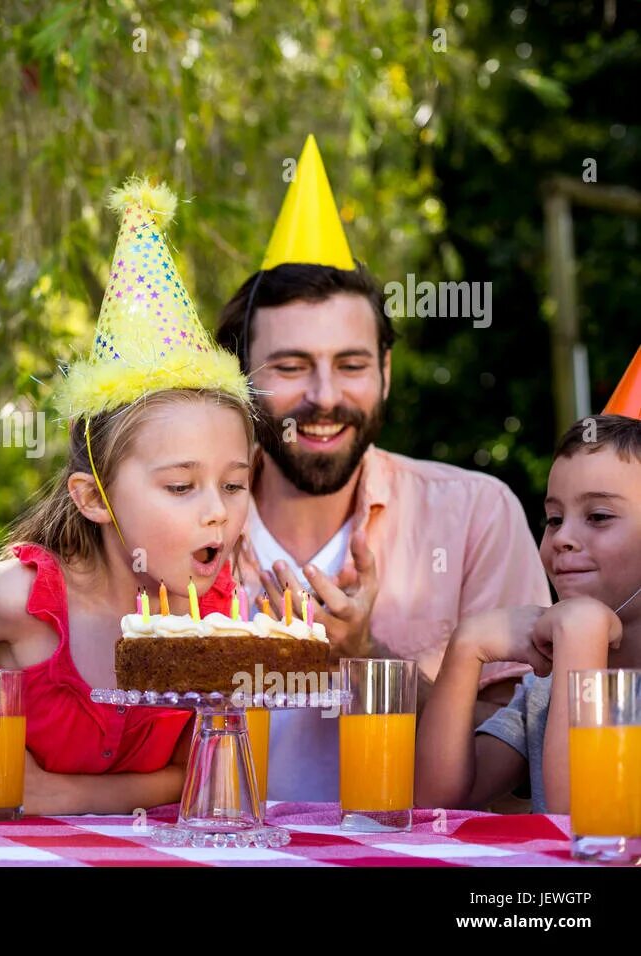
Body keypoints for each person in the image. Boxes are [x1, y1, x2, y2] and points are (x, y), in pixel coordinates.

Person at [0, 180, 248, 815]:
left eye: (233, 484)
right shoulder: (18, 599)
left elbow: (196, 774)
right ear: (92, 498)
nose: (217, 510)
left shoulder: (216, 618)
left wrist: (61, 795)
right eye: (179, 486)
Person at [215, 136, 550, 802]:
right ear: (238, 378)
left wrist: (366, 655)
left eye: (352, 364)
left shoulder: (475, 515)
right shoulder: (180, 523)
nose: (325, 396)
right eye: (288, 367)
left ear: (386, 373)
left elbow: (509, 756)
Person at [416, 413, 641, 812]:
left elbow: (585, 833)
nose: (563, 539)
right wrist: (466, 648)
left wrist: (580, 636)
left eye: (599, 517)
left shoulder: (572, 657)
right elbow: (436, 805)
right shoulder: (544, 692)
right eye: (554, 519)